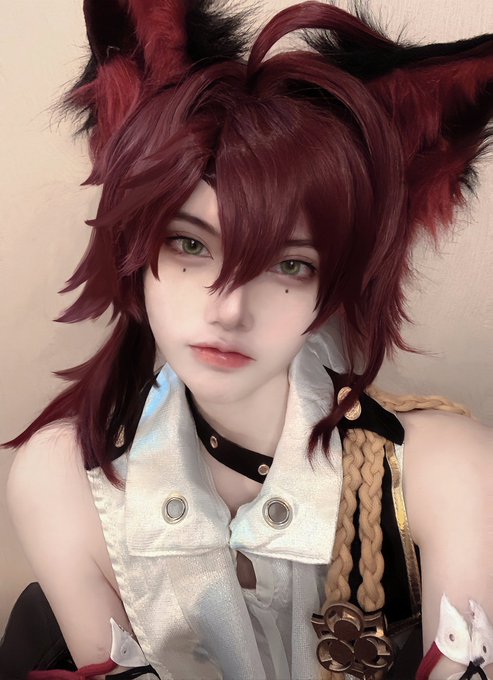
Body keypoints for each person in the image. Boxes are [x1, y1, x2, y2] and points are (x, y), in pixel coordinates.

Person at [3, 1, 493, 678]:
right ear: (136, 247)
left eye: (290, 264)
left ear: (334, 284)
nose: (230, 309)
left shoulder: (444, 471)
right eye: (189, 245)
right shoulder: (62, 480)